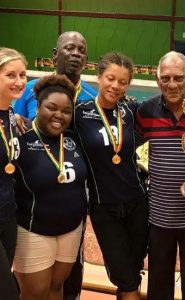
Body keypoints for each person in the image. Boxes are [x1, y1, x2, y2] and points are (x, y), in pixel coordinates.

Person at [74, 52, 148, 300]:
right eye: (110, 78)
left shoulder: (131, 111)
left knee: (133, 272)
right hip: (104, 207)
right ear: (98, 77)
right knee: (125, 278)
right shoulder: (79, 113)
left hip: (137, 203)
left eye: (123, 82)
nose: (115, 86)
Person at [135, 51, 185, 300]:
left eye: (178, 78)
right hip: (159, 217)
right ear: (157, 80)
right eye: (165, 78)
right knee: (158, 284)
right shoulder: (145, 112)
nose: (172, 84)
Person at [13, 74, 87, 300]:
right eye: (51, 108)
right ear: (37, 107)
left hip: (71, 230)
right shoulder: (21, 140)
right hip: (34, 230)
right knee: (35, 293)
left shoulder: (74, 140)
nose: (59, 115)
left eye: (66, 111)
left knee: (57, 287)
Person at [14, 31, 96, 128]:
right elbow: (16, 126)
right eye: (70, 48)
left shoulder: (94, 98)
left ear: (86, 60)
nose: (76, 54)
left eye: (81, 51)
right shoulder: (29, 89)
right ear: (55, 54)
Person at [0, 47, 27, 299]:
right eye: (11, 75)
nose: (19, 82)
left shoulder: (10, 113)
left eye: (22, 75)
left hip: (8, 213)